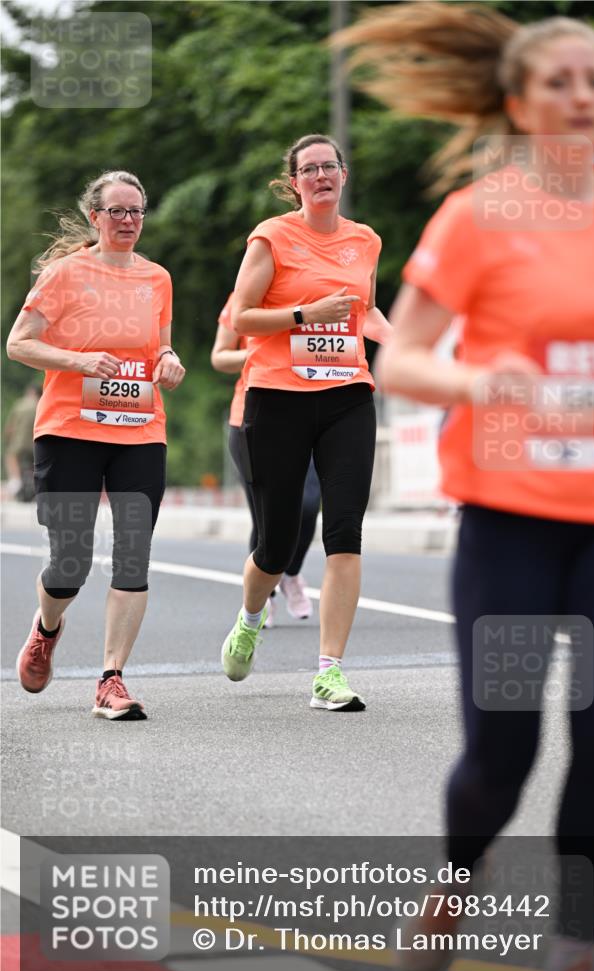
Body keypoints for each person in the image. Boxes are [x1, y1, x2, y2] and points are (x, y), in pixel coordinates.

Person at [338, 4, 594, 971]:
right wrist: (483, 384)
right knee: (503, 742)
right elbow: (398, 360)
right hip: (510, 516)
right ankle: (455, 878)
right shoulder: (479, 216)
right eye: (557, 81)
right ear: (519, 103)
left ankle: (572, 955)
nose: (578, 96)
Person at [219, 133, 392, 711]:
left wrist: (409, 345)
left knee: (345, 530)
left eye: (329, 166)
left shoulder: (365, 241)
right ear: (294, 183)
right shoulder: (272, 236)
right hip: (278, 398)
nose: (321, 175)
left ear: (344, 176)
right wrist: (303, 314)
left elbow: (365, 314)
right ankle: (248, 620)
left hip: (347, 395)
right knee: (277, 542)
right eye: (309, 169)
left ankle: (329, 673)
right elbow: (241, 314)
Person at [7, 169, 185, 720]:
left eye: (136, 211)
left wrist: (169, 362)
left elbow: (160, 348)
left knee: (133, 555)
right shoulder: (64, 274)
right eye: (117, 212)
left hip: (139, 431)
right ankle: (46, 628)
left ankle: (111, 680)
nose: (128, 221)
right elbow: (18, 343)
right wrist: (78, 360)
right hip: (69, 429)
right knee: (71, 565)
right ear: (95, 217)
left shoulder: (157, 278)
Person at [211, 293, 320, 626]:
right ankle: (263, 597)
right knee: (267, 516)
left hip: (312, 412)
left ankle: (290, 573)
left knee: (308, 503)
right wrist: (262, 352)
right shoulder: (246, 294)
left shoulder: (319, 288)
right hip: (253, 417)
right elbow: (220, 357)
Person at [3, 383, 40, 500]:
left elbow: (9, 429)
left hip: (19, 445)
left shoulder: (20, 404)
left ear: (29, 392)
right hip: (36, 444)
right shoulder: (40, 405)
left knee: (10, 456)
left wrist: (7, 440)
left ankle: (15, 482)